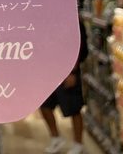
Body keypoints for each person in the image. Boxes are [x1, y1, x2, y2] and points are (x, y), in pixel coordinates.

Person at [40, 20, 88, 154]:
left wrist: (72, 71)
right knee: (44, 105)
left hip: (67, 70)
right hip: (49, 70)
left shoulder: (73, 20)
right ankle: (56, 138)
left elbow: (78, 46)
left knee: (74, 108)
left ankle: (78, 144)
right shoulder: (46, 18)